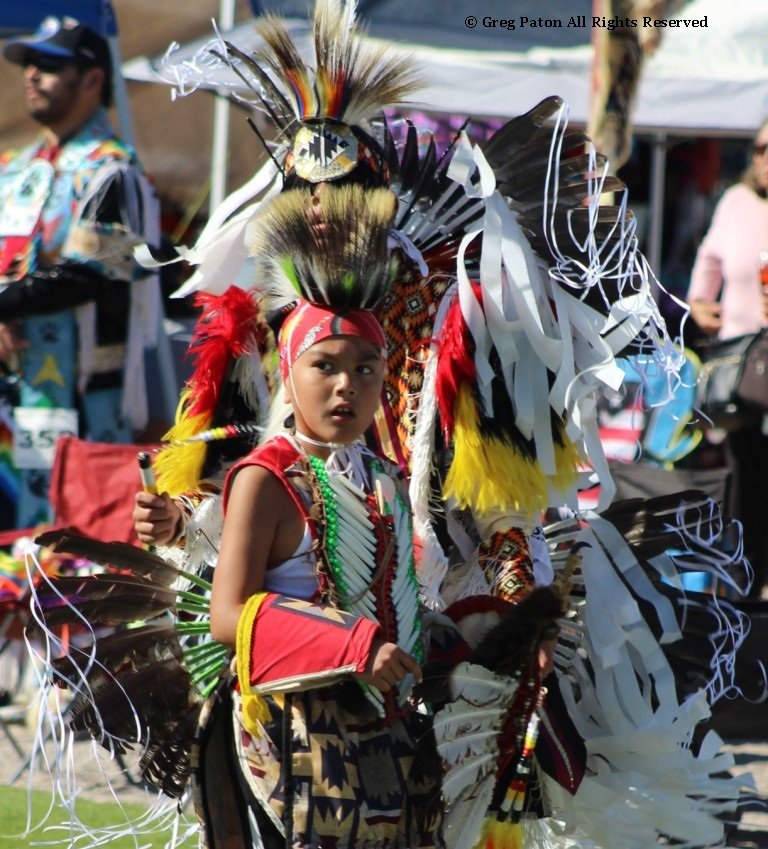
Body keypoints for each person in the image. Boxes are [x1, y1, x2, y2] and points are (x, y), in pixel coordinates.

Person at [0, 16, 160, 529]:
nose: (32, 76)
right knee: (30, 527)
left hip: (92, 390)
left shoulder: (112, 170)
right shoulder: (15, 170)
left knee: (88, 532)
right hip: (21, 390)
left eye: (49, 65)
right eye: (30, 65)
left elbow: (94, 271)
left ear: (91, 78)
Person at [687, 119, 768, 596]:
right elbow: (708, 259)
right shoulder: (735, 203)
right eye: (759, 148)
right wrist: (700, 303)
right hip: (743, 371)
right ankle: (744, 578)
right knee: (744, 472)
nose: (763, 157)